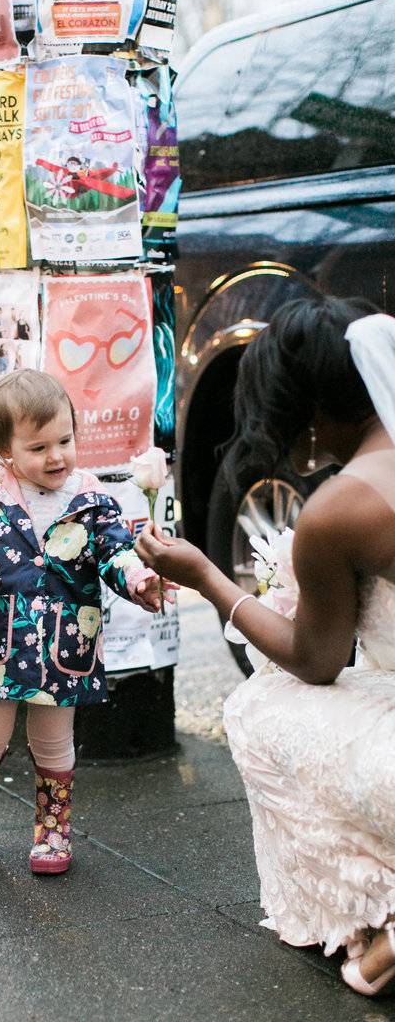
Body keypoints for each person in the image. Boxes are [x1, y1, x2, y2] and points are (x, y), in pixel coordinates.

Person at [135, 296, 395, 997]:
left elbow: (316, 661)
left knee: (261, 706)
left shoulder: (343, 507)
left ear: (308, 409)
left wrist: (209, 580)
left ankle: (376, 908)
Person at [0, 369, 172, 874]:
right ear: (4, 450)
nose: (56, 456)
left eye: (65, 440)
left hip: (65, 648)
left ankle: (53, 829)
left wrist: (139, 580)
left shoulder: (90, 496)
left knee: (54, 738)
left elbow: (114, 550)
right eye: (38, 448)